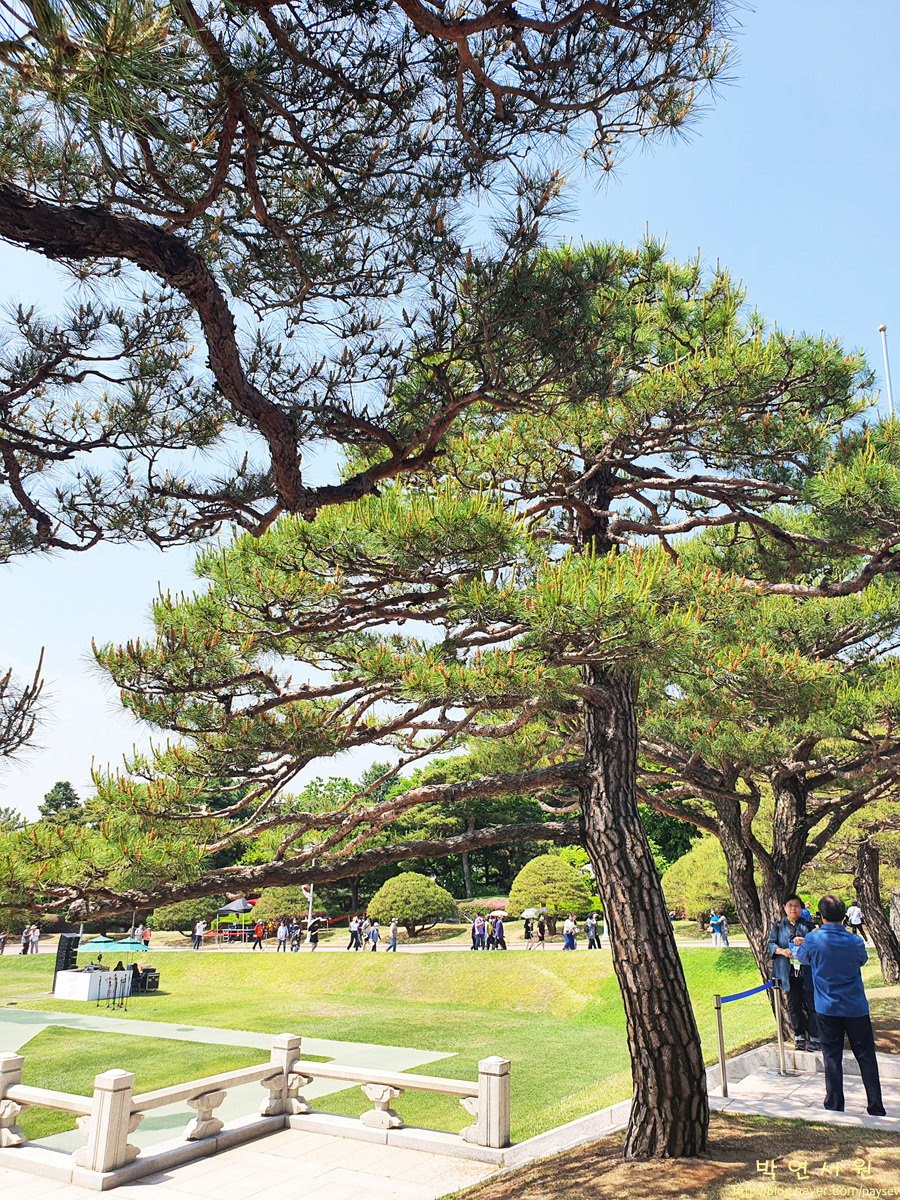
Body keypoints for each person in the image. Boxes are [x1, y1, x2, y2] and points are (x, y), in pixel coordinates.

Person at [795, 894, 885, 1116]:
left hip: (827, 1008)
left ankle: (834, 1104)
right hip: (855, 1007)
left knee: (832, 1056)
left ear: (821, 916)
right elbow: (861, 960)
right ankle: (875, 1105)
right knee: (866, 1056)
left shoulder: (813, 939)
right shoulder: (855, 941)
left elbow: (803, 959)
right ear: (844, 916)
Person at [768, 894, 820, 1052]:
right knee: (793, 1006)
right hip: (788, 973)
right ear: (784, 907)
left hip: (807, 972)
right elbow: (770, 945)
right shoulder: (778, 926)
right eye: (790, 905)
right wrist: (781, 951)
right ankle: (799, 1037)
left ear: (801, 908)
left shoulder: (809, 926)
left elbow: (817, 946)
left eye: (796, 905)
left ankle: (815, 1037)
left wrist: (806, 941)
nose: (793, 908)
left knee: (812, 1005)